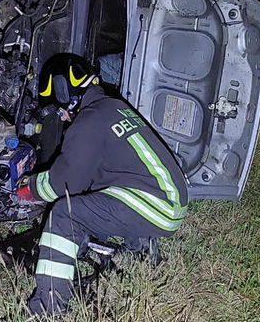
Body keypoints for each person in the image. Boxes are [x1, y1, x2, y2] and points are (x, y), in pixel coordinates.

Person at [20, 54, 189, 316]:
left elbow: (64, 183)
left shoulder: (88, 121)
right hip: (172, 202)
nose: (63, 117)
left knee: (65, 214)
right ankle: (141, 247)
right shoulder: (112, 107)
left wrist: (30, 187)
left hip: (154, 204)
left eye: (59, 108)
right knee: (103, 199)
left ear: (66, 93)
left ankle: (48, 306)